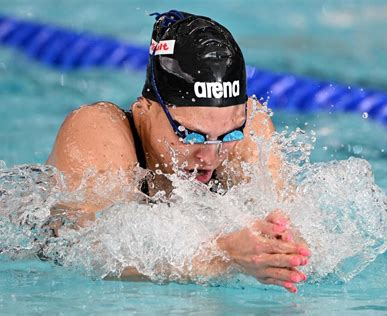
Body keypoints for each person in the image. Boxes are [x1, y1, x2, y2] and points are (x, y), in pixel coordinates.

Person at [46, 10, 310, 293]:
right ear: (144, 111)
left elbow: (293, 225)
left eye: (228, 134)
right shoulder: (98, 132)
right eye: (190, 135)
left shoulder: (250, 130)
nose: (209, 156)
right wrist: (222, 254)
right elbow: (84, 249)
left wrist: (283, 248)